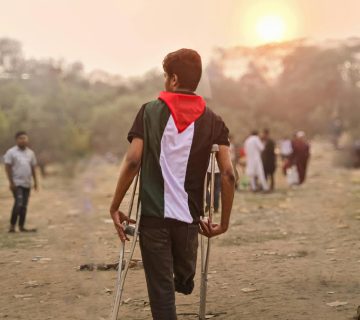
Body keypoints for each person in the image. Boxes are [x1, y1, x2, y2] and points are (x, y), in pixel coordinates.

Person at [109, 48, 235, 320]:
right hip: (190, 221)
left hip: (154, 219)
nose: (164, 81)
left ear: (174, 80)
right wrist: (223, 223)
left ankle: (178, 280)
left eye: (166, 76)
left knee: (162, 293)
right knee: (184, 275)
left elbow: (132, 162)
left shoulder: (149, 111)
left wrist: (114, 206)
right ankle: (184, 273)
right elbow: (228, 174)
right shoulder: (213, 120)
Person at [4, 131, 38, 233]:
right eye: (21, 138)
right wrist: (11, 182)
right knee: (18, 204)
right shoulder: (11, 152)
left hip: (27, 183)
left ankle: (21, 226)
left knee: (24, 205)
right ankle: (12, 226)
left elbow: (33, 168)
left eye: (25, 138)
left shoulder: (30, 153)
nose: (23, 140)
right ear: (16, 140)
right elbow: (7, 167)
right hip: (16, 183)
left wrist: (36, 182)